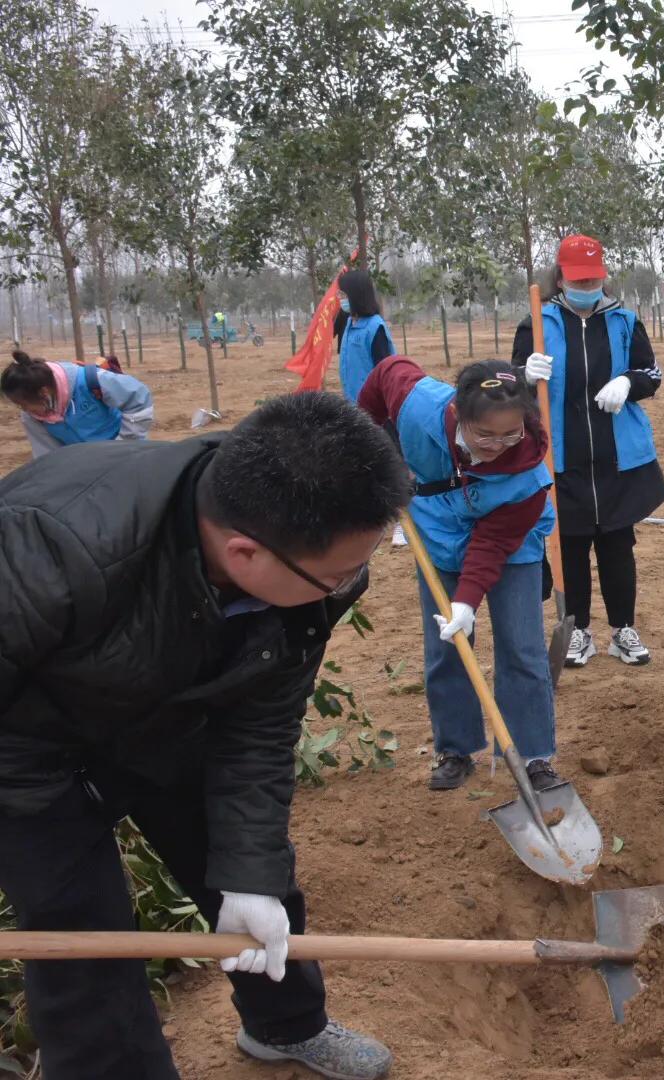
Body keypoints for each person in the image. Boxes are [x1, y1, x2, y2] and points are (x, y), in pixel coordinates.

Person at [0, 393, 410, 1080]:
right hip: (26, 753)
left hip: (172, 719)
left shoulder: (307, 566)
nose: (348, 586)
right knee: (84, 942)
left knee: (258, 885)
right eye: (336, 576)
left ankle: (286, 1027)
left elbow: (262, 723)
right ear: (244, 552)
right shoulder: (46, 544)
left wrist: (249, 878)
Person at [357, 356, 562, 793]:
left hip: (509, 546)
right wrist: (367, 434)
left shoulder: (527, 471)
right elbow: (387, 370)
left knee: (522, 647)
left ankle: (532, 755)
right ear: (457, 413)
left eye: (511, 433)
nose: (498, 445)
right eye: (485, 434)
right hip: (436, 534)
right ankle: (455, 749)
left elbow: (493, 543)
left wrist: (467, 602)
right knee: (446, 646)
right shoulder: (418, 406)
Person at [510, 235, 664, 668]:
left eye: (593, 279)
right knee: (571, 545)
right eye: (578, 280)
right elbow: (512, 384)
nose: (586, 286)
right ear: (561, 278)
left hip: (617, 458)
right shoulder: (536, 324)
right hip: (562, 457)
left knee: (618, 546)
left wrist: (628, 382)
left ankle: (623, 629)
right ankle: (577, 629)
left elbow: (651, 374)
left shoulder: (624, 322)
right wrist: (524, 374)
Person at [2, 348, 154, 459]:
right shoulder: (32, 417)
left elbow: (139, 400)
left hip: (127, 456)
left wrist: (123, 446)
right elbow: (48, 457)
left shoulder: (91, 381)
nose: (24, 410)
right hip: (88, 469)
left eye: (23, 404)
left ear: (44, 393)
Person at [334, 268, 395, 404]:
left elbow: (384, 372)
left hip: (372, 405)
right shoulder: (350, 322)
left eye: (343, 295)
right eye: (339, 294)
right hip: (353, 401)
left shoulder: (375, 327)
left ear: (355, 296)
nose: (340, 299)